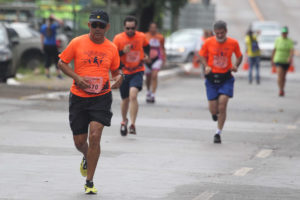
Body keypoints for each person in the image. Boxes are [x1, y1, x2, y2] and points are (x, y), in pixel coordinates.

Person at [57, 9, 123, 194]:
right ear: (89, 25)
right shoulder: (77, 42)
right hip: (78, 98)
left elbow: (117, 72)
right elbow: (61, 63)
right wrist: (77, 77)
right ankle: (87, 156)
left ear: (107, 27)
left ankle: (90, 182)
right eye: (94, 24)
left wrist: (120, 79)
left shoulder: (111, 48)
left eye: (101, 25)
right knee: (79, 141)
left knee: (95, 135)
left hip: (101, 98)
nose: (97, 28)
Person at [199, 20, 243, 143]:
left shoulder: (233, 43)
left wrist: (235, 65)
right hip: (212, 78)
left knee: (222, 104)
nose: (219, 35)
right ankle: (214, 114)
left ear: (226, 32)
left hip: (226, 78)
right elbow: (201, 55)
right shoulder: (208, 42)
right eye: (217, 33)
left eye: (222, 33)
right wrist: (206, 65)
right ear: (214, 32)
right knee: (214, 109)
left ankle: (218, 133)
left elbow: (239, 56)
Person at [113, 16, 150, 136]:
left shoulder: (141, 36)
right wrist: (123, 51)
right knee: (125, 99)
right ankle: (124, 120)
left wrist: (147, 56)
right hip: (123, 71)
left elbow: (147, 47)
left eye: (132, 28)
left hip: (137, 70)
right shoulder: (118, 38)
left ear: (136, 27)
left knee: (133, 95)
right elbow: (113, 55)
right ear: (124, 27)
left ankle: (132, 124)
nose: (130, 30)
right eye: (127, 28)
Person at [145, 22, 166, 103]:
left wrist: (164, 58)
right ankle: (148, 91)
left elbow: (163, 48)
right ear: (149, 28)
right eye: (151, 27)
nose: (153, 29)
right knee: (148, 77)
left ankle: (153, 94)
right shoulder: (145, 36)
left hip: (157, 58)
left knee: (154, 75)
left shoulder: (160, 37)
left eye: (155, 27)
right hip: (147, 59)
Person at [271, 26, 294, 97]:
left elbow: (291, 51)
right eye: (283, 33)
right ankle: (280, 89)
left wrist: (290, 58)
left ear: (287, 33)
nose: (284, 34)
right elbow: (274, 50)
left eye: (285, 33)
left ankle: (282, 88)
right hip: (278, 59)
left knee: (283, 77)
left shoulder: (289, 41)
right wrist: (272, 59)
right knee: (279, 76)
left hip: (286, 61)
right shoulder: (278, 40)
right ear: (281, 33)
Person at [40, 14, 64, 79]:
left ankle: (47, 74)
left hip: (46, 45)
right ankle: (58, 74)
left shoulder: (43, 27)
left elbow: (42, 37)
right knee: (56, 60)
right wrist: (55, 17)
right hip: (53, 45)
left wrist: (42, 46)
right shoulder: (54, 26)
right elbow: (61, 23)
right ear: (53, 20)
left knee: (47, 59)